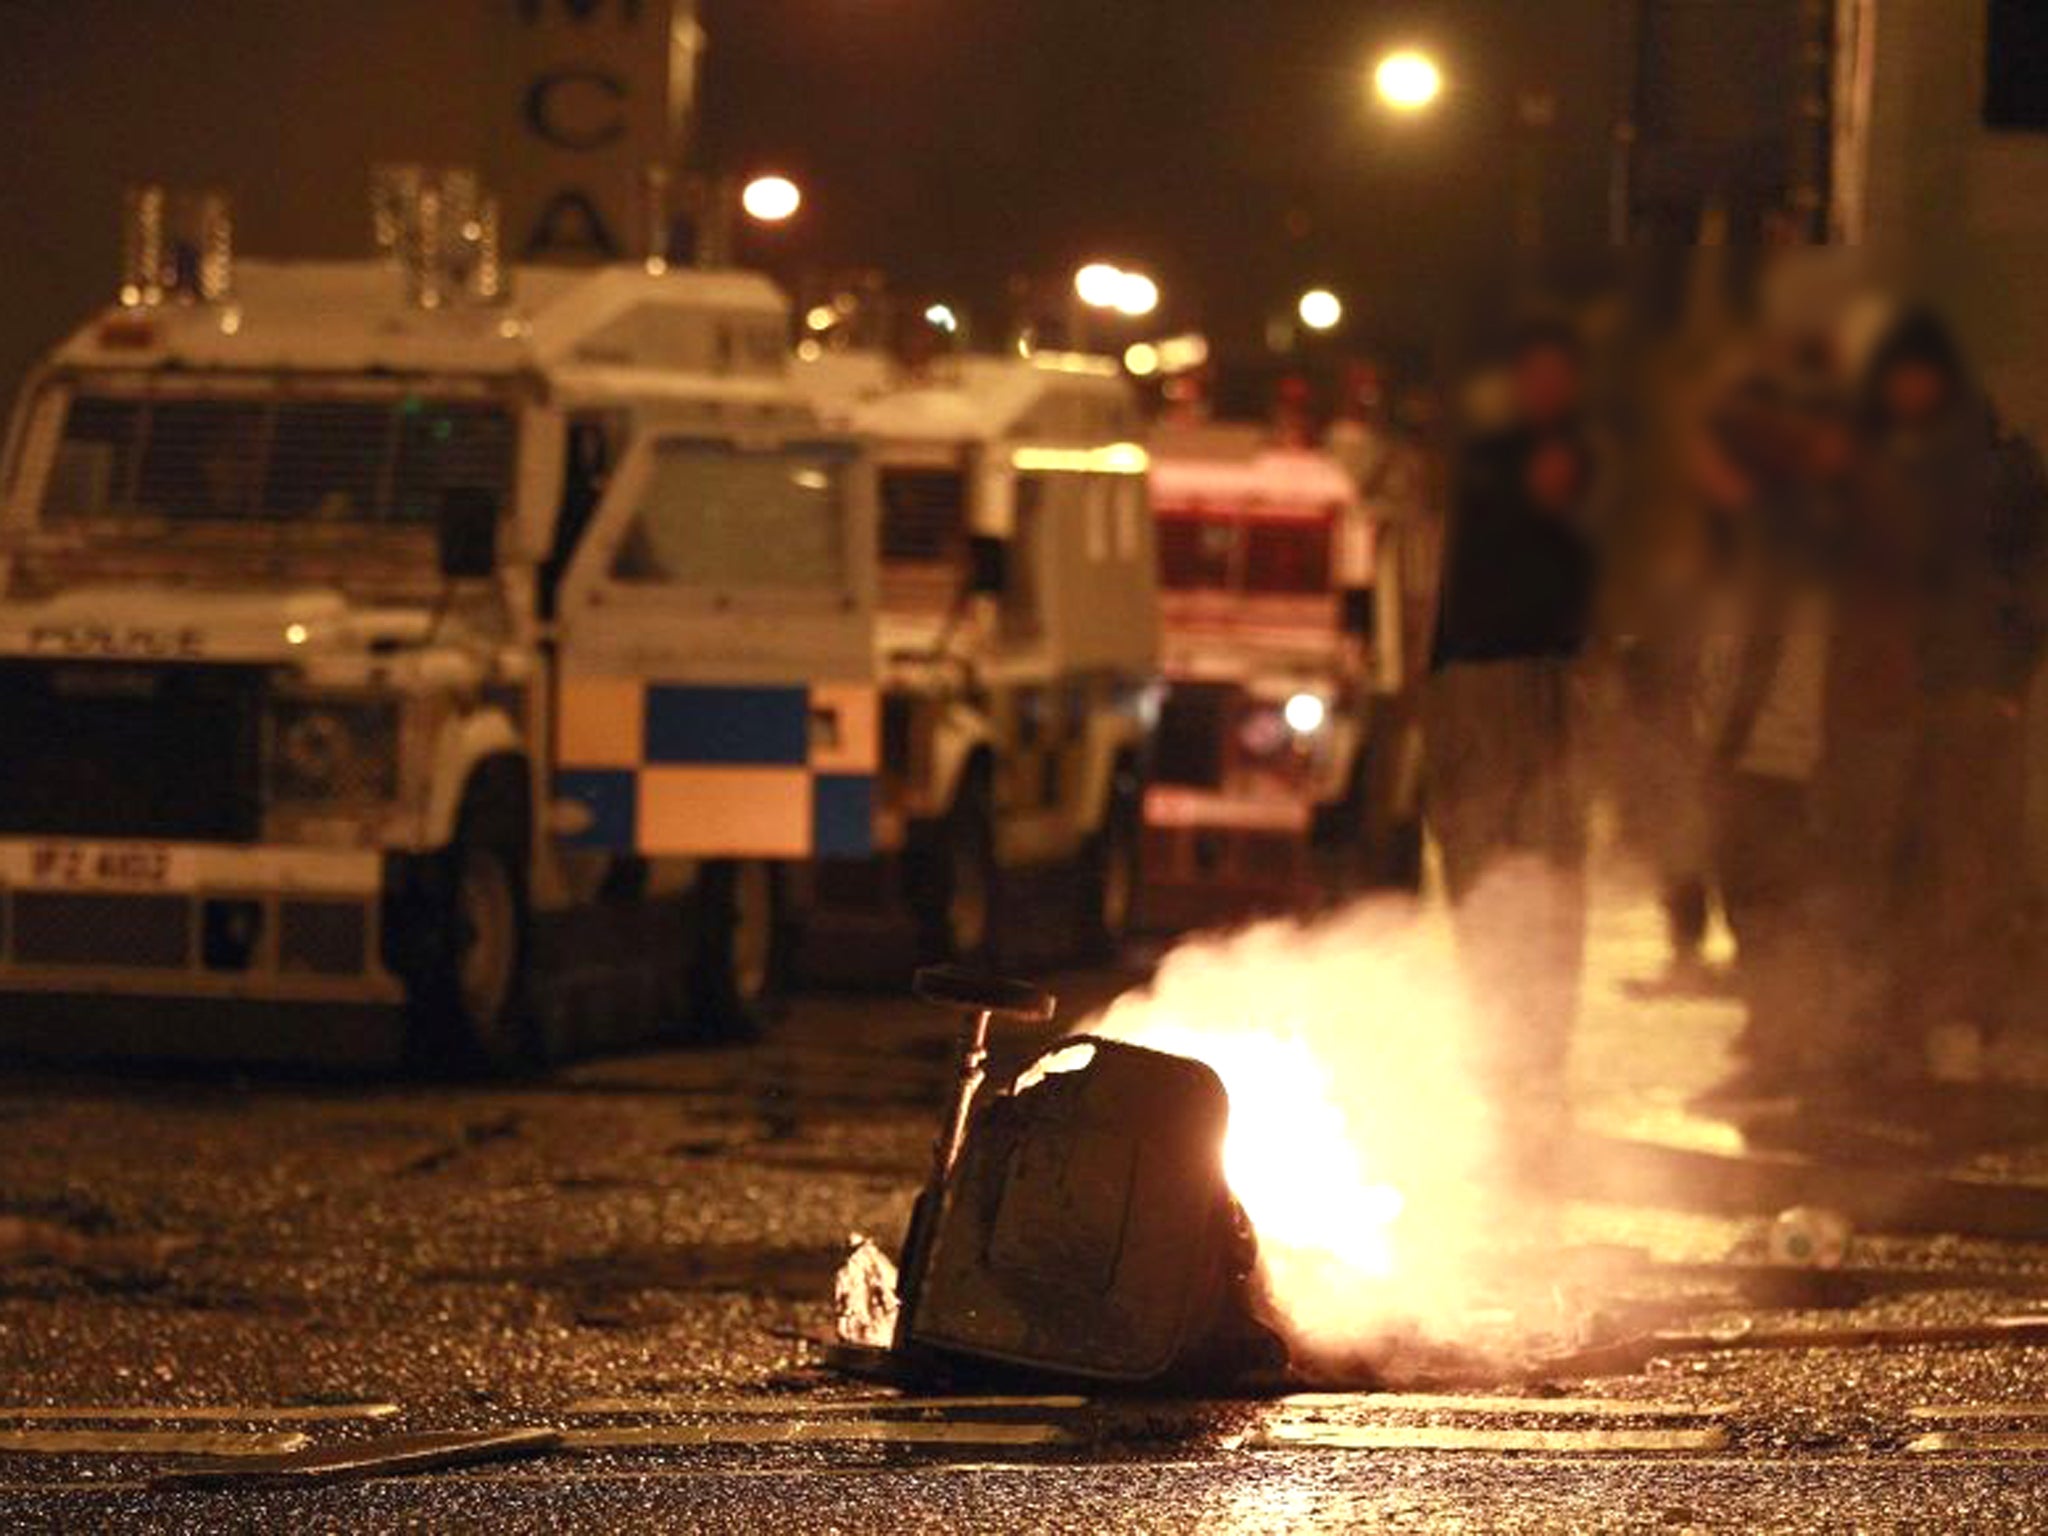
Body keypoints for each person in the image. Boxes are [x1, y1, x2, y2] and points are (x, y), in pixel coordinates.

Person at [1843, 309, 2048, 1085]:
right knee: (1920, 861)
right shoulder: (1909, 463)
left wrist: (2001, 681)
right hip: (1912, 697)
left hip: (1963, 693)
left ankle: (1960, 1021)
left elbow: (2025, 589)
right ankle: (1925, 1018)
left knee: (1964, 863)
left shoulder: (1987, 469)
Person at [1425, 321, 1601, 1179]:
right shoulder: (1487, 464)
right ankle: (1498, 1048)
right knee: (1478, 861)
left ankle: (1538, 1060)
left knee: (1547, 868)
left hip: (1541, 681)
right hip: (1474, 680)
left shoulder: (1578, 464)